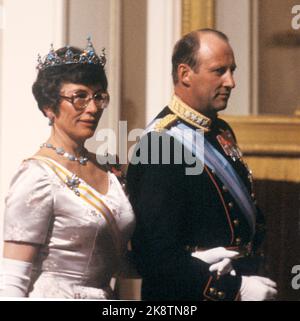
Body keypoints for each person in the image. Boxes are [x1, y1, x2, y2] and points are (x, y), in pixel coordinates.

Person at [126, 29, 277, 301]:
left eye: (232, 70)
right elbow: (155, 258)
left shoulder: (221, 130)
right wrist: (234, 289)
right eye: (219, 71)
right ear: (185, 74)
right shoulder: (160, 144)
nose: (231, 82)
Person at [0, 39, 135, 299]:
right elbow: (13, 280)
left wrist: (193, 260)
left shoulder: (110, 170)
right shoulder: (37, 177)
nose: (93, 108)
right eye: (80, 97)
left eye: (98, 97)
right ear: (49, 107)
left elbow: (114, 259)